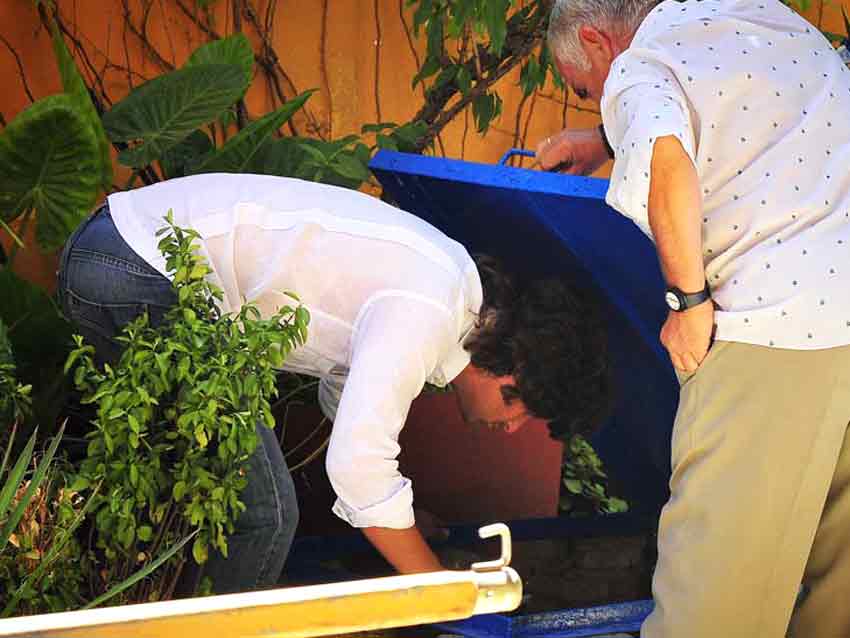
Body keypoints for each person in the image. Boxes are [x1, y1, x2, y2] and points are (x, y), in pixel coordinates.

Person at [57, 172, 609, 593]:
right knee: (266, 515)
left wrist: (403, 518)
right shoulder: (428, 307)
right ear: (515, 372)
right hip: (139, 268)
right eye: (524, 413)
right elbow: (356, 470)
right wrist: (439, 589)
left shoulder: (445, 291)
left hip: (119, 254)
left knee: (175, 486)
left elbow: (347, 405)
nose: (512, 430)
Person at [541, 0, 850, 636]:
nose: (593, 98)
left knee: (712, 598)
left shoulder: (639, 63)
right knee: (839, 584)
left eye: (582, 87)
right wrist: (603, 138)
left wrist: (688, 303)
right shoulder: (769, 17)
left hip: (775, 329)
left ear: (599, 42)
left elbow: (662, 155)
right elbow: (753, 102)